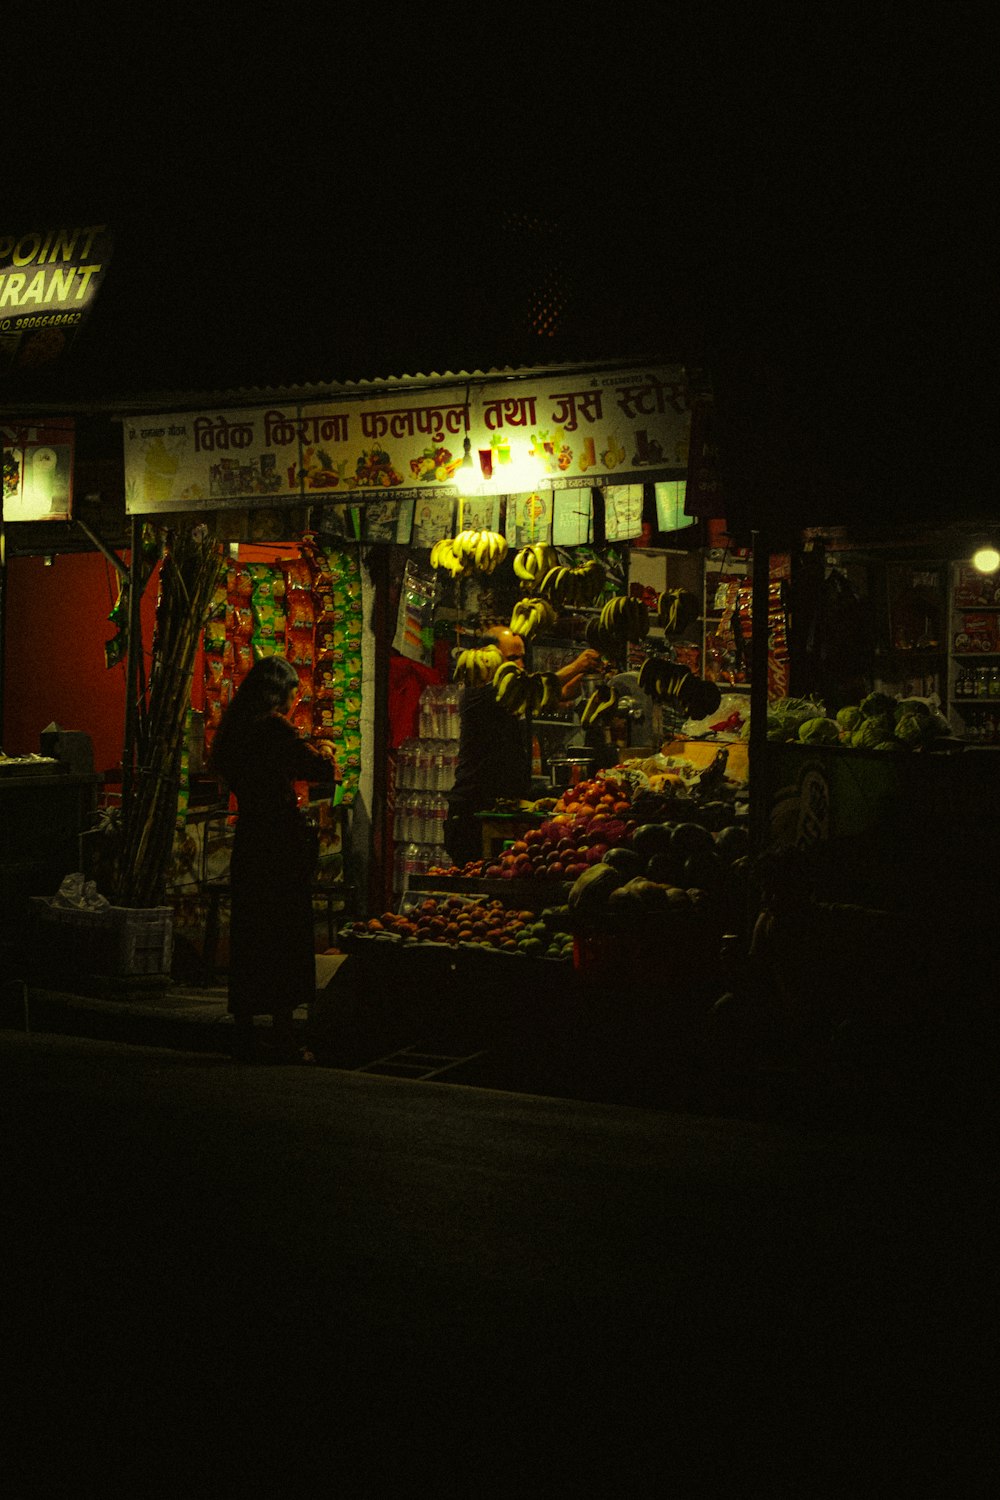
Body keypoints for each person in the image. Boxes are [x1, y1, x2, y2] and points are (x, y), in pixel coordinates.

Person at [208, 655, 339, 1063]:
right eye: (292, 695)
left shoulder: (233, 730)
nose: (293, 703)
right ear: (278, 693)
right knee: (284, 932)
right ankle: (284, 1036)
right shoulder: (273, 727)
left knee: (252, 933)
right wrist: (327, 750)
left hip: (251, 837)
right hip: (279, 841)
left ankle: (244, 1032)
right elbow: (316, 768)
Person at [443, 627, 600, 868]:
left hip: (506, 808)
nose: (521, 663)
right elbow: (532, 688)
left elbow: (553, 695)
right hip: (473, 813)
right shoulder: (480, 692)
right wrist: (575, 666)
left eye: (522, 656)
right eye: (513, 658)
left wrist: (578, 680)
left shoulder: (513, 690)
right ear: (489, 657)